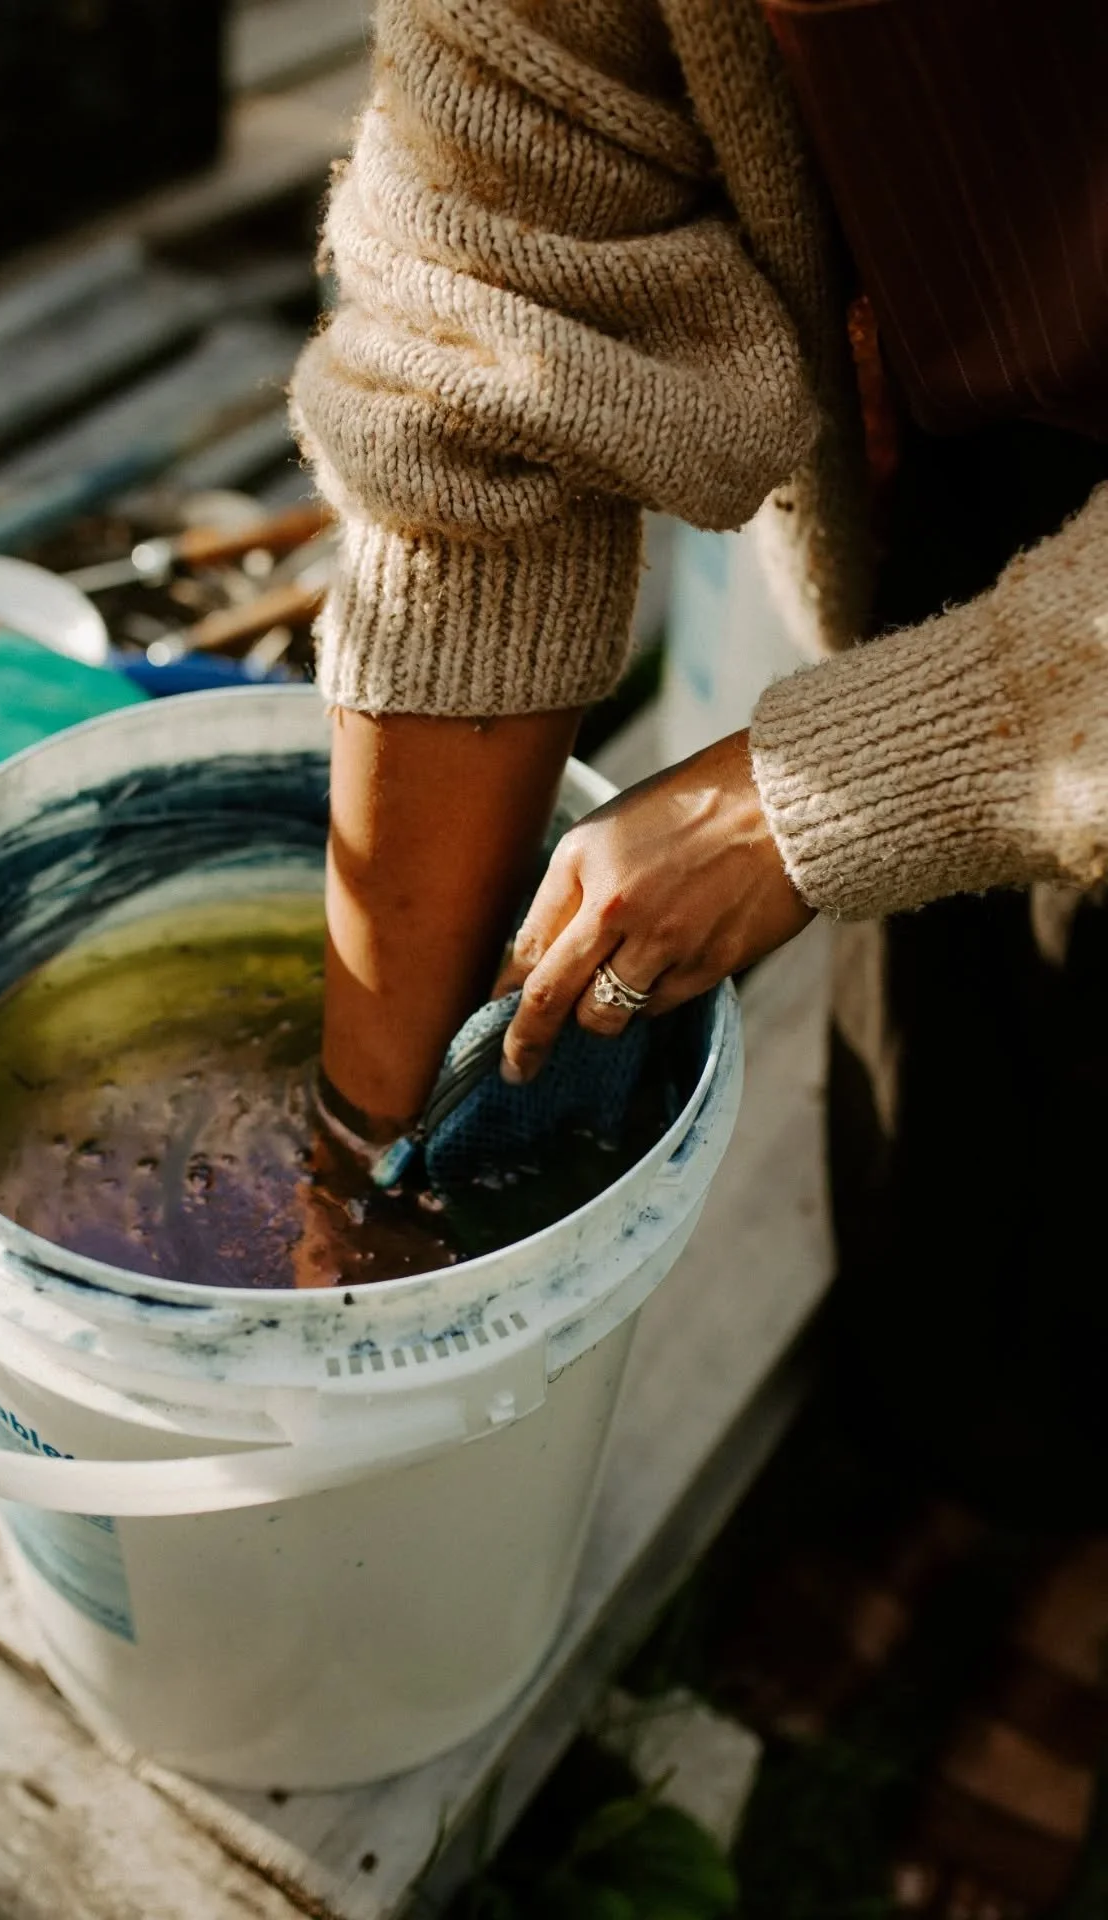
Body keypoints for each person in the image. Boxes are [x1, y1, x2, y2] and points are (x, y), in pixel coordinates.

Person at [290, 1, 1108, 1909]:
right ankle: (959, 1486)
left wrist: (826, 788)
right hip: (967, 426)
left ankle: (1083, 1576)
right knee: (959, 1060)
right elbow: (490, 342)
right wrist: (354, 1150)